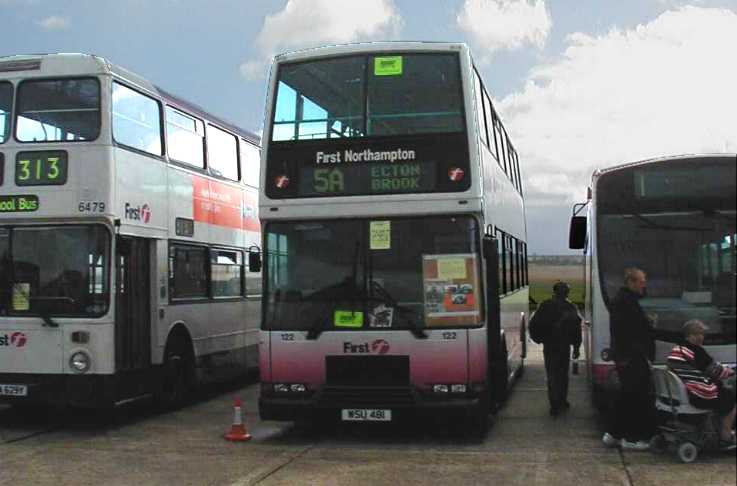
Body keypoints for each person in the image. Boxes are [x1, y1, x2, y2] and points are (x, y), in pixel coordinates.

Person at [602, 267, 679, 451]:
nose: (644, 285)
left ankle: (613, 434)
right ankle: (631, 438)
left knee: (626, 397)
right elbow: (632, 332)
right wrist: (652, 329)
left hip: (628, 357)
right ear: (631, 282)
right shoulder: (626, 303)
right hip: (632, 358)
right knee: (636, 398)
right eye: (641, 281)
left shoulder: (625, 301)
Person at [667, 319, 736, 448]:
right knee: (730, 397)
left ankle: (717, 432)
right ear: (690, 336)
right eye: (698, 334)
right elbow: (717, 372)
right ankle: (725, 436)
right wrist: (732, 371)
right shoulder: (696, 351)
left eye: (702, 334)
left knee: (724, 393)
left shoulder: (678, 349)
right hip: (697, 396)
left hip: (682, 395)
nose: (701, 337)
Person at [529, 281, 582, 417]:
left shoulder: (545, 305)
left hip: (550, 346)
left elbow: (533, 324)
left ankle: (554, 404)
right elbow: (576, 330)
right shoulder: (571, 307)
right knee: (563, 374)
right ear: (566, 293)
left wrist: (539, 339)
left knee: (552, 374)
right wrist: (576, 347)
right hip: (564, 346)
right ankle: (562, 401)